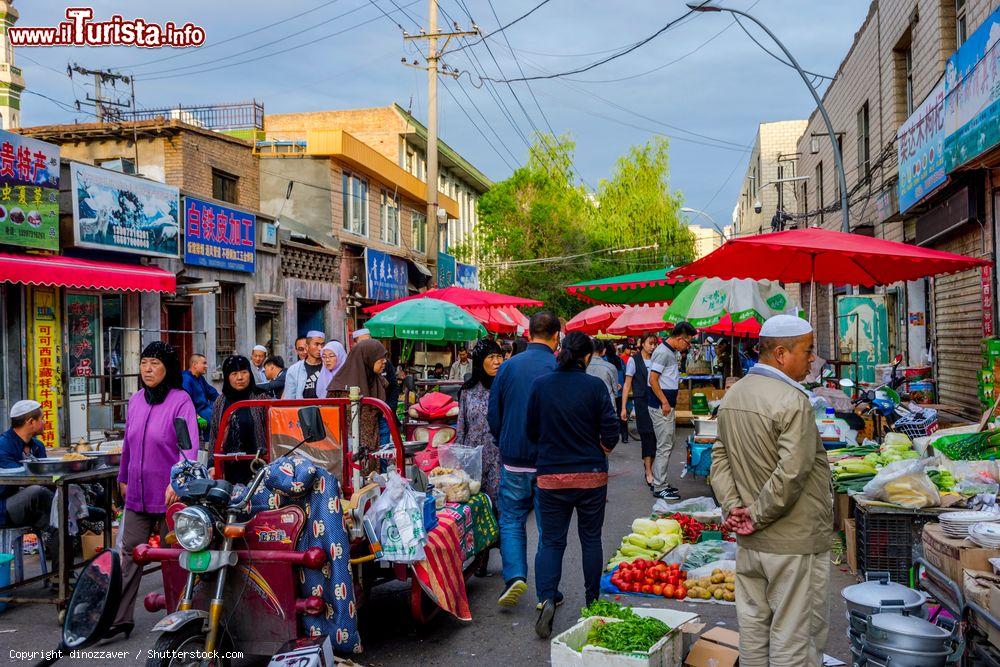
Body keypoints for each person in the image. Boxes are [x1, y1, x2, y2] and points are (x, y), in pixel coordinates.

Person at [711, 315, 832, 667]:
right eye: (808, 351)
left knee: (754, 637)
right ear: (781, 353)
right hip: (793, 544)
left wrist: (734, 507)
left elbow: (720, 458)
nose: (812, 359)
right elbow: (792, 472)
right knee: (795, 643)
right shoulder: (793, 401)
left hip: (752, 546)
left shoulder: (735, 394)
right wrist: (756, 515)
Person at [526, 332, 619, 638]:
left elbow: (531, 431)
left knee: (552, 541)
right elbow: (611, 432)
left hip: (551, 476)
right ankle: (592, 603)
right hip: (590, 475)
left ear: (562, 351)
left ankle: (547, 598)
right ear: (587, 357)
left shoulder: (541, 385)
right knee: (591, 539)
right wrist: (600, 447)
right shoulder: (594, 387)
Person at [111, 341, 199, 641]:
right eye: (144, 362)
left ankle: (180, 618)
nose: (147, 369)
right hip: (136, 492)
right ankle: (119, 617)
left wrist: (178, 482)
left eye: (155, 364)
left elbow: (189, 449)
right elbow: (128, 444)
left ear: (168, 369)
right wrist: (122, 477)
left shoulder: (180, 401)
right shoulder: (135, 400)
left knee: (172, 557)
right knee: (129, 553)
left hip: (169, 495)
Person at [487, 311, 559, 608]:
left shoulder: (508, 367)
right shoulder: (557, 366)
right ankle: (546, 592)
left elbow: (494, 414)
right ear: (556, 336)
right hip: (548, 460)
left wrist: (505, 439)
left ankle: (515, 575)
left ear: (529, 333)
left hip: (514, 458)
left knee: (512, 518)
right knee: (548, 527)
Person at [0, 401, 58, 566]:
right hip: (5, 507)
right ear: (30, 422)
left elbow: (48, 476)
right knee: (35, 490)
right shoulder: (3, 446)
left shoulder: (38, 446)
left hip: (33, 508)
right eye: (42, 418)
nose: (45, 422)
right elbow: (23, 479)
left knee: (60, 521)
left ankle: (60, 576)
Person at [646, 322, 696, 501]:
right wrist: (665, 402)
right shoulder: (663, 352)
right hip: (662, 406)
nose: (687, 346)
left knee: (667, 443)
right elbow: (653, 380)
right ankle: (659, 485)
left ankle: (661, 482)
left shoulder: (668, 352)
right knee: (665, 444)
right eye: (688, 342)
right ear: (680, 338)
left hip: (665, 405)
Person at [456, 339, 504, 505]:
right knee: (473, 505)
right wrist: (458, 457)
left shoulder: (505, 387)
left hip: (499, 457)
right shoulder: (467, 391)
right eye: (491, 357)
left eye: (499, 356)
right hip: (472, 458)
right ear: (479, 361)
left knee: (499, 505)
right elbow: (461, 426)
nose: (497, 361)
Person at [327, 339, 389, 467]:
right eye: (380, 358)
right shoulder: (342, 387)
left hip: (374, 441)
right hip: (352, 450)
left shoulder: (375, 380)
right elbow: (347, 423)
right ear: (368, 358)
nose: (384, 361)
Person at [210, 355, 268, 485]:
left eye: (244, 372)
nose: (240, 377)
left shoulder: (261, 398)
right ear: (227, 376)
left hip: (258, 467)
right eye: (234, 373)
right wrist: (212, 465)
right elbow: (214, 434)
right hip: (228, 470)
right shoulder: (220, 402)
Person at [622, 333, 659, 488]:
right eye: (650, 343)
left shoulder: (657, 359)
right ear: (642, 343)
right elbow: (627, 384)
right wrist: (623, 407)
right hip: (642, 402)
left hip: (656, 401)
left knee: (657, 437)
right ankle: (649, 470)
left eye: (655, 344)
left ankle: (651, 466)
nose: (653, 346)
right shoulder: (633, 360)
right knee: (646, 435)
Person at [282, 331, 325, 400]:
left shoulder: (328, 366)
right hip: (302, 409)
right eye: (316, 344)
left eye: (322, 345)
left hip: (326, 409)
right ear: (307, 347)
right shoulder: (294, 370)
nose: (320, 348)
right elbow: (289, 399)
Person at [181, 353, 219, 423]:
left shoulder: (200, 378)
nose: (206, 366)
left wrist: (222, 401)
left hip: (207, 410)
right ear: (194, 365)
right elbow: (185, 402)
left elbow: (212, 393)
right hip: (197, 414)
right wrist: (197, 416)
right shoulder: (185, 379)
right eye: (204, 363)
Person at [585, 338, 619, 403]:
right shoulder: (610, 367)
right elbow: (615, 392)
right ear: (603, 351)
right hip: (607, 404)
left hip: (588, 404)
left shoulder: (582, 367)